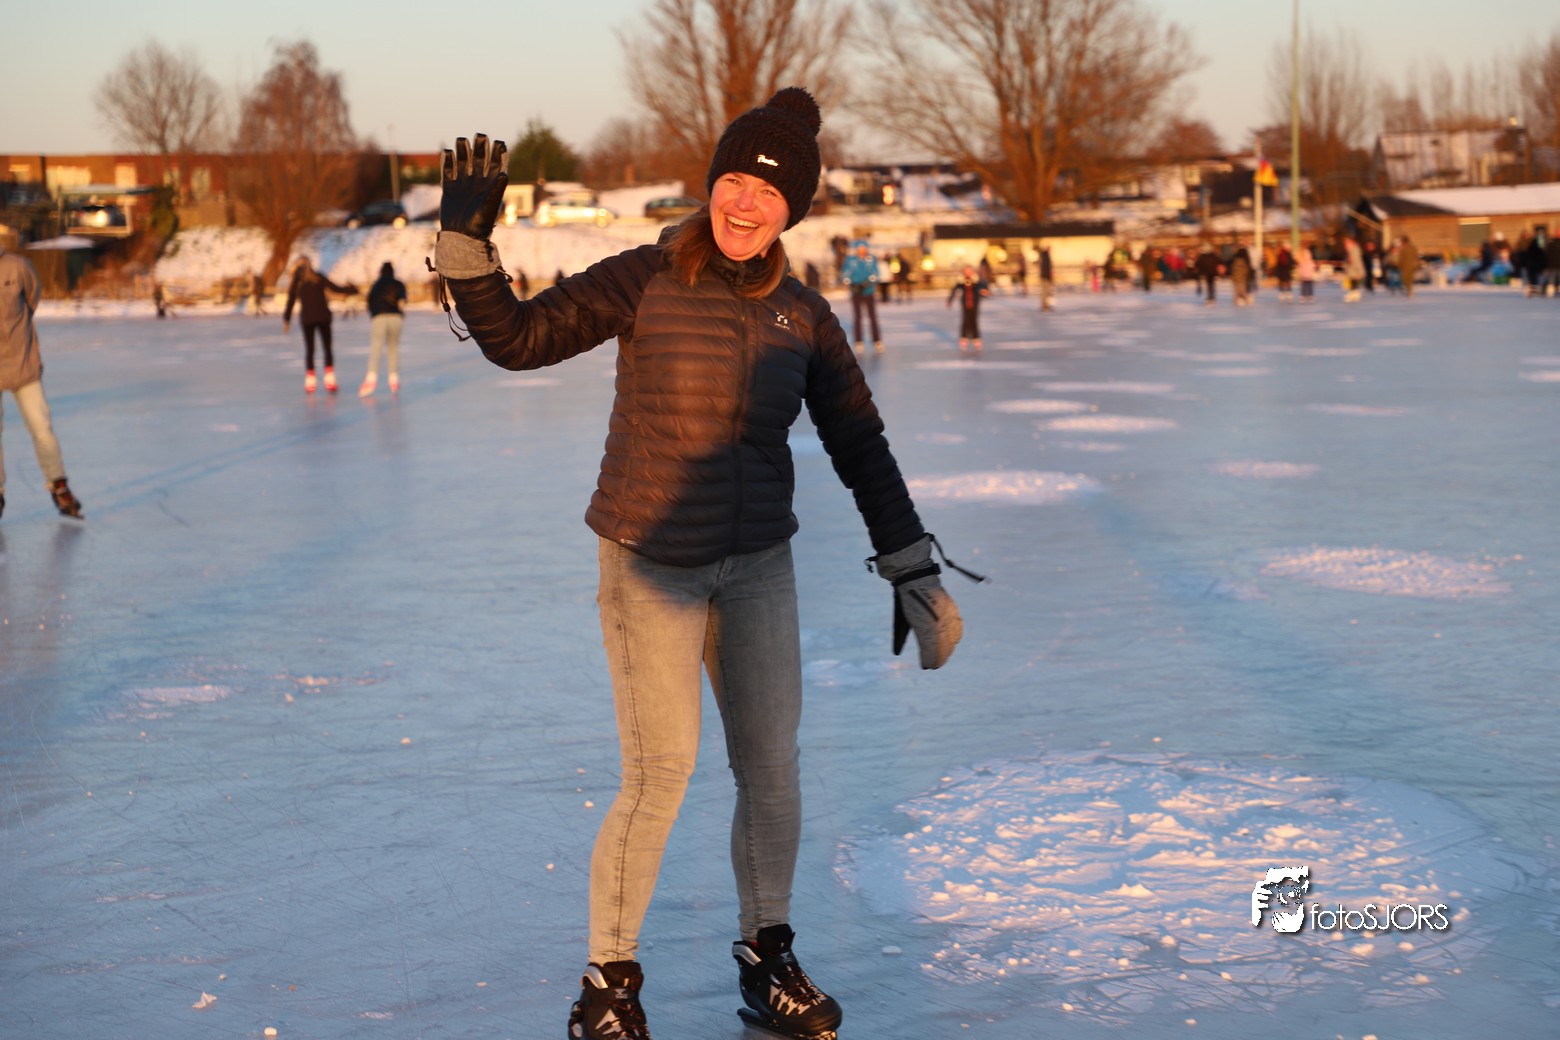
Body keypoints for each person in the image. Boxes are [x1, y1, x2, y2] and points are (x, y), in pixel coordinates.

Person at [431, 88, 975, 1040]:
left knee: (772, 770)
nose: (744, 204)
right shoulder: (643, 277)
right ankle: (607, 987)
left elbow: (861, 444)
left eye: (768, 193)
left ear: (791, 210)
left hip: (758, 566)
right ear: (711, 183)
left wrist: (911, 568)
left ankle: (768, 960)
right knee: (662, 770)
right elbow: (518, 341)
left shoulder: (804, 316)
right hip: (651, 561)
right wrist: (465, 249)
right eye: (733, 182)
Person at [0, 242, 83, 521]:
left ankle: (59, 485)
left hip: (22, 364)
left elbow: (32, 299)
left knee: (42, 427)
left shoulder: (17, 266)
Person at [283, 257, 358, 393]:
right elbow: (335, 288)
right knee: (327, 348)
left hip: (308, 319)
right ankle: (330, 380)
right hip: (323, 317)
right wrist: (352, 289)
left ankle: (310, 381)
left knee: (310, 349)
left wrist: (287, 319)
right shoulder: (319, 277)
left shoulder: (297, 281)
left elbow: (291, 301)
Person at [360, 262, 407, 396]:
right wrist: (400, 313)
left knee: (376, 347)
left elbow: (369, 302)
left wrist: (374, 314)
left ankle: (371, 378)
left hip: (379, 318)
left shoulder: (376, 285)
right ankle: (394, 379)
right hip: (395, 318)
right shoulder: (398, 284)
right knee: (393, 348)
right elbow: (402, 301)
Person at [839, 238, 882, 353]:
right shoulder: (851, 261)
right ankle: (858, 341)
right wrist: (852, 283)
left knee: (872, 317)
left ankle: (877, 340)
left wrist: (867, 283)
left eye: (864, 249)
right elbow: (844, 275)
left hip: (869, 292)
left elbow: (876, 274)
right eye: (860, 249)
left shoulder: (871, 260)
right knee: (858, 317)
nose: (862, 251)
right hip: (856, 292)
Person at [947, 264, 990, 352]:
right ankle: (964, 338)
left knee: (974, 321)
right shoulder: (961, 280)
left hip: (974, 303)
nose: (968, 273)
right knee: (965, 321)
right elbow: (955, 290)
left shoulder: (977, 280)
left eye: (970, 271)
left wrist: (984, 291)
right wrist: (950, 300)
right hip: (965, 303)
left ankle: (976, 338)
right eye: (966, 271)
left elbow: (982, 288)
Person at [1229, 241, 1253, 307]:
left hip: (1238, 277)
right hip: (1242, 276)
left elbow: (1233, 268)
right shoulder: (1245, 255)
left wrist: (1232, 276)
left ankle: (1239, 300)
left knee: (1238, 289)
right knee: (1242, 289)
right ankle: (1244, 299)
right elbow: (1247, 265)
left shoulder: (1236, 257)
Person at [1038, 243, 1055, 312]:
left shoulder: (1044, 256)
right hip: (1046, 277)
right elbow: (1046, 268)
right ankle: (1045, 305)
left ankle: (1046, 304)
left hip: (1044, 276)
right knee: (1045, 291)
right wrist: (1049, 276)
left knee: (1046, 291)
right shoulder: (1046, 257)